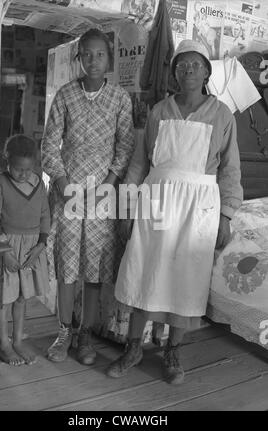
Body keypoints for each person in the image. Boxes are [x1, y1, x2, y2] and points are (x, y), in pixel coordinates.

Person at [106, 39, 243, 384]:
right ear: (174, 72)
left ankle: (172, 352)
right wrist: (127, 210)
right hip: (156, 202)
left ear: (207, 71)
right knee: (144, 270)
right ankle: (133, 348)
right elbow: (139, 164)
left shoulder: (222, 115)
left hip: (198, 208)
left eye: (195, 65)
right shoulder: (159, 111)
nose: (188, 70)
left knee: (186, 277)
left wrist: (226, 215)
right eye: (182, 65)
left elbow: (230, 170)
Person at [41, 28, 134, 365]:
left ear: (109, 60)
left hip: (103, 196)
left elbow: (125, 146)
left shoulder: (121, 99)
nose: (93, 60)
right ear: (78, 58)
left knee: (94, 268)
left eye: (100, 54)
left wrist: (108, 184)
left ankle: (85, 335)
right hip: (67, 192)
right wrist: (64, 185)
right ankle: (64, 331)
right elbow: (50, 144)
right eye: (87, 54)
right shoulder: (65, 95)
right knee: (67, 264)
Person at [0, 134, 50, 366]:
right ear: (6, 161)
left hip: (31, 249)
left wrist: (41, 244)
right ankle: (4, 345)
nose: (24, 174)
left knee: (21, 297)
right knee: (3, 300)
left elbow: (45, 214)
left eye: (28, 169)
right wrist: (4, 251)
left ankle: (18, 340)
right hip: (7, 247)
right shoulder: (0, 183)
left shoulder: (38, 183)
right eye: (18, 169)